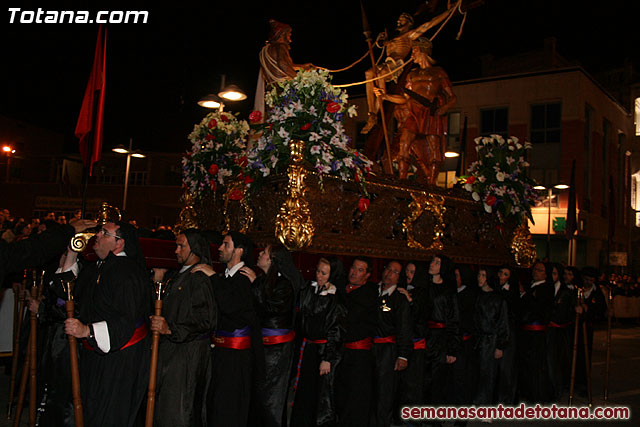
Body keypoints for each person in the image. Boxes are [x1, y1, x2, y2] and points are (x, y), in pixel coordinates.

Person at [64, 221, 152, 426]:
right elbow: (69, 294)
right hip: (94, 356)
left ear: (119, 243)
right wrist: (71, 253)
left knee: (109, 416)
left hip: (118, 361)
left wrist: (87, 330)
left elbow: (125, 318)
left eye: (105, 233)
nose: (97, 236)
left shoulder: (127, 273)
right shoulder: (98, 267)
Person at [192, 231, 262, 427]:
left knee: (229, 406)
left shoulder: (244, 278)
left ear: (239, 251)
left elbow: (230, 306)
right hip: (220, 351)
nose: (220, 249)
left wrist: (213, 277)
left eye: (226, 245)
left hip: (236, 356)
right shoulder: (226, 276)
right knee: (214, 402)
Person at [150, 230, 217, 427]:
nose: (176, 250)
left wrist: (170, 329)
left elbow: (206, 319)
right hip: (171, 350)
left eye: (181, 246)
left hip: (188, 354)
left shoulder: (199, 277)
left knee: (179, 409)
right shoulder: (177, 274)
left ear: (195, 249)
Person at [373, 38, 456, 184]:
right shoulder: (412, 74)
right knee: (404, 143)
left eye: (415, 51)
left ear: (423, 51)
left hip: (431, 113)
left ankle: (431, 183)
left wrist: (443, 108)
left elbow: (452, 97)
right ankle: (402, 180)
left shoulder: (438, 72)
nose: (412, 55)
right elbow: (404, 98)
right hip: (414, 113)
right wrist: (385, 96)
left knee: (434, 148)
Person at [362, 6, 454, 135]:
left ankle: (380, 106)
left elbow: (430, 23)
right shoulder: (392, 38)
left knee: (381, 75)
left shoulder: (410, 35)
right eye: (398, 20)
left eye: (402, 20)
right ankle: (372, 113)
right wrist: (381, 41)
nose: (398, 22)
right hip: (386, 63)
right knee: (369, 73)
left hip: (396, 65)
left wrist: (450, 11)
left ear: (409, 23)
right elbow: (382, 45)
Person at [249, 243, 302, 427]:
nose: (260, 254)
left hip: (277, 349)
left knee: (272, 398)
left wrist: (255, 285)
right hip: (261, 346)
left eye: (264, 252)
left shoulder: (284, 284)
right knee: (258, 395)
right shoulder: (264, 280)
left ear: (273, 260)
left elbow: (270, 309)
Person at [291, 257, 346, 427]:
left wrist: (328, 358)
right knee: (303, 392)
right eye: (318, 271)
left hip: (323, 352)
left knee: (321, 396)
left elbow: (335, 330)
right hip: (306, 348)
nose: (319, 276)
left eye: (323, 273)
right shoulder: (308, 289)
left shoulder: (335, 299)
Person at [335, 256, 378, 426]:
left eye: (360, 270)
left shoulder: (369, 294)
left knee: (356, 396)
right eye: (353, 268)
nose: (354, 272)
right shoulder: (340, 288)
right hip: (340, 351)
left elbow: (348, 317)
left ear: (367, 275)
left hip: (359, 354)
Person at [371, 260, 412, 427]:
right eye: (388, 269)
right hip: (368, 347)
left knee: (384, 393)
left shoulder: (399, 298)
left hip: (388, 350)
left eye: (395, 272)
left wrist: (403, 355)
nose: (389, 273)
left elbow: (404, 328)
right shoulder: (372, 291)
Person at [423, 254, 459, 424]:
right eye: (432, 261)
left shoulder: (448, 291)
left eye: (437, 263)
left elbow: (453, 320)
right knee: (423, 377)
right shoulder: (424, 285)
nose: (432, 265)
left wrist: (452, 348)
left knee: (437, 378)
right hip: (424, 335)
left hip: (440, 338)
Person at [472, 267, 509, 409]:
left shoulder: (498, 299)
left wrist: (500, 345)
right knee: (477, 372)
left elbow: (503, 323)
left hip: (490, 341)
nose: (479, 278)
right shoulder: (477, 295)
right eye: (479, 275)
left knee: (489, 374)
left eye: (483, 275)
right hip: (478, 340)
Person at [517, 261, 554, 403]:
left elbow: (537, 308)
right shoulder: (531, 285)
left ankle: (538, 395)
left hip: (536, 333)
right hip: (526, 332)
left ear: (545, 274)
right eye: (535, 269)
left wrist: (525, 294)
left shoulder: (546, 288)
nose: (535, 272)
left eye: (539, 270)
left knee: (536, 365)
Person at [396, 261, 429, 416]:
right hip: (402, 342)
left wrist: (410, 301)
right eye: (407, 271)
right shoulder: (399, 290)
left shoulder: (423, 293)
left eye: (412, 272)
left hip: (417, 343)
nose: (408, 275)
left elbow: (422, 318)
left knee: (414, 381)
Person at [450, 264, 476, 424]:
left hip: (463, 344)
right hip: (452, 341)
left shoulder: (469, 295)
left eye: (457, 276)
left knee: (462, 380)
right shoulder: (451, 293)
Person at [546, 263, 574, 400]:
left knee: (555, 362)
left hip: (558, 333)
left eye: (555, 274)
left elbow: (565, 314)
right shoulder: (544, 288)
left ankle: (557, 389)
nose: (552, 277)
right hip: (546, 331)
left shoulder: (566, 292)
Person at [258, 19, 313, 86]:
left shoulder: (266, 50)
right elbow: (282, 64)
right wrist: (298, 80)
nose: (290, 40)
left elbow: (282, 65)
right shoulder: (280, 46)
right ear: (283, 34)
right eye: (289, 35)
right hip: (284, 86)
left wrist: (303, 67)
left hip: (272, 88)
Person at [495, 265, 519, 405]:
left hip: (508, 333)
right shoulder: (494, 289)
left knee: (506, 367)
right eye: (500, 272)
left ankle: (506, 399)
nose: (501, 276)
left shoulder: (511, 292)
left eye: (505, 274)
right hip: (497, 332)